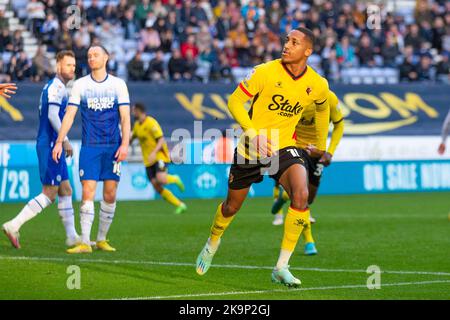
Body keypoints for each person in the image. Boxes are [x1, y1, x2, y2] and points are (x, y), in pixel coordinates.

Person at [195, 27, 331, 287]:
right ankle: (212, 242)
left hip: (283, 149)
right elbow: (235, 102)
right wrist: (254, 134)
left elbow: (324, 109)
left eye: (295, 42)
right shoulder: (264, 71)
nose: (287, 45)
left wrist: (321, 144)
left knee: (300, 195)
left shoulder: (317, 83)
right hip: (250, 148)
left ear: (308, 51)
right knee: (231, 206)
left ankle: (281, 266)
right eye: (287, 40)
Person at [52, 45, 131, 254]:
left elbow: (125, 118)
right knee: (88, 191)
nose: (91, 58)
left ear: (106, 57)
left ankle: (102, 238)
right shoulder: (80, 85)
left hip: (113, 146)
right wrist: (60, 141)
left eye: (96, 55)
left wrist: (125, 144)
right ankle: (85, 242)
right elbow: (69, 116)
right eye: (89, 56)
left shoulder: (118, 85)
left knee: (110, 194)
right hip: (90, 147)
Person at [2, 51, 78, 249]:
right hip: (52, 144)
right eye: (68, 64)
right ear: (58, 66)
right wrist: (65, 140)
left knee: (66, 189)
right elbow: (53, 116)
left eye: (74, 65)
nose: (72, 68)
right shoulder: (55, 87)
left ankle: (72, 236)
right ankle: (13, 224)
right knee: (49, 193)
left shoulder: (59, 87)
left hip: (55, 144)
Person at [271, 91, 344, 256]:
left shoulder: (330, 98)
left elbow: (339, 125)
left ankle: (284, 197)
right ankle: (309, 241)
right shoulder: (291, 97)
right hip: (295, 149)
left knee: (309, 198)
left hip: (317, 154)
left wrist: (329, 152)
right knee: (301, 196)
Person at [131, 103, 187, 214]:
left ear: (139, 111)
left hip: (159, 156)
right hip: (148, 161)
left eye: (134, 110)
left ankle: (175, 178)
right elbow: (132, 138)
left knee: (161, 179)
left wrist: (154, 152)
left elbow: (161, 140)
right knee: (156, 186)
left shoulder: (151, 123)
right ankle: (180, 205)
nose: (132, 113)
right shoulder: (137, 125)